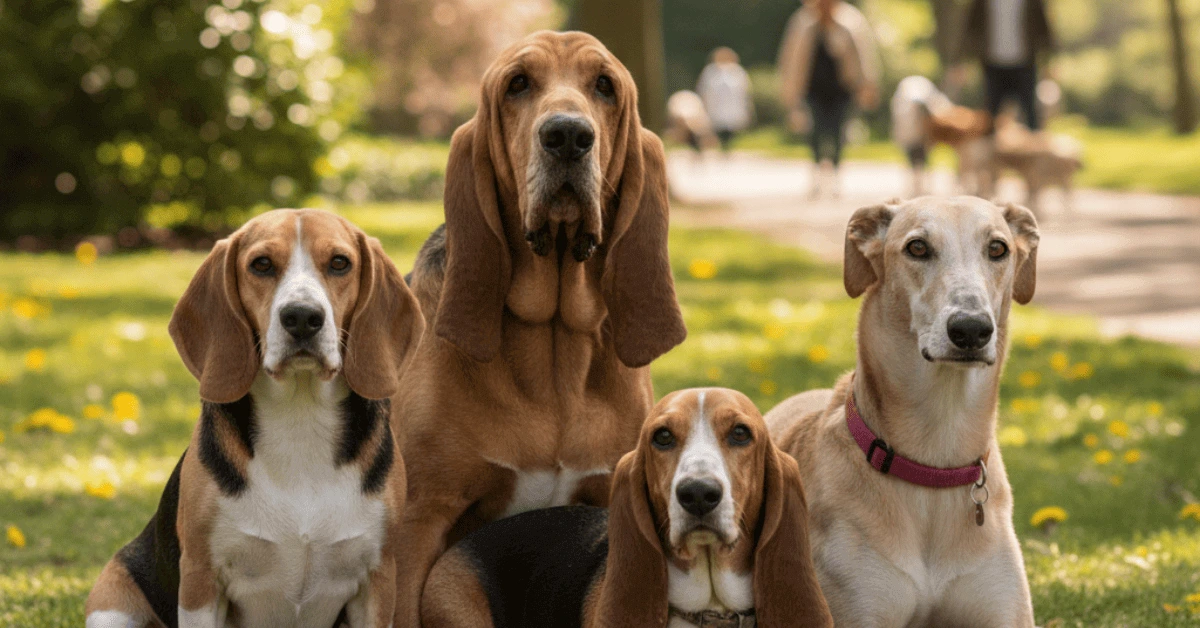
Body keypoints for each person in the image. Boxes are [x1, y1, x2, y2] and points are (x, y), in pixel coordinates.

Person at [778, 0, 880, 198]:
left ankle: (835, 177)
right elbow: (790, 58)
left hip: (841, 90)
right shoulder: (803, 22)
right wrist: (790, 91)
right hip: (812, 90)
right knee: (814, 132)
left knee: (838, 132)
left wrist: (867, 85)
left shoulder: (850, 21)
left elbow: (864, 56)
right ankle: (817, 176)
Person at [955, 0, 1056, 131]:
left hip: (1024, 63)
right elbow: (971, 27)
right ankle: (991, 149)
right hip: (992, 64)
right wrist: (961, 61)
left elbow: (1043, 27)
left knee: (1031, 115)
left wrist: (1048, 61)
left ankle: (1034, 148)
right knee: (990, 117)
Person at [696, 47, 754, 152]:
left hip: (732, 109)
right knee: (716, 128)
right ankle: (719, 146)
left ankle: (727, 147)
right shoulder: (710, 71)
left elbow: (745, 92)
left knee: (730, 130)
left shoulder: (738, 72)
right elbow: (704, 90)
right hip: (716, 107)